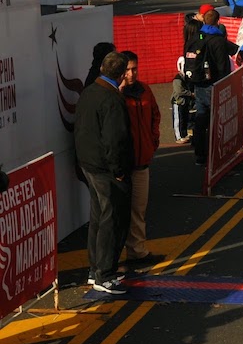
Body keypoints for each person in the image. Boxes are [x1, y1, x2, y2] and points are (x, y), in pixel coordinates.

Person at [74, 51, 133, 294]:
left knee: (98, 217)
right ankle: (105, 274)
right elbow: (114, 139)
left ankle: (94, 269)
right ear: (120, 74)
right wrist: (118, 171)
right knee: (112, 219)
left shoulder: (89, 91)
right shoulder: (112, 99)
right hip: (106, 168)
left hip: (88, 164)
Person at [119, 51, 161, 264]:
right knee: (119, 212)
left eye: (134, 68)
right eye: (127, 69)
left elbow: (155, 114)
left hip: (142, 160)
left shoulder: (145, 90)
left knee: (139, 209)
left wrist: (153, 140)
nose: (131, 73)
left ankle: (137, 250)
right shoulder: (116, 94)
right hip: (122, 164)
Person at [186, 10, 238, 166]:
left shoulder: (195, 38)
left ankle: (200, 155)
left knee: (201, 119)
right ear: (218, 21)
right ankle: (218, 154)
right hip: (215, 85)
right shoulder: (218, 41)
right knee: (218, 120)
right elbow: (223, 67)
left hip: (198, 84)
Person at [170, 56, 194, 144]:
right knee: (178, 120)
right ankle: (178, 136)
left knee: (184, 119)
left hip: (184, 102)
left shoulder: (186, 78)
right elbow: (179, 90)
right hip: (178, 102)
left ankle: (184, 134)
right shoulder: (178, 79)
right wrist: (190, 94)